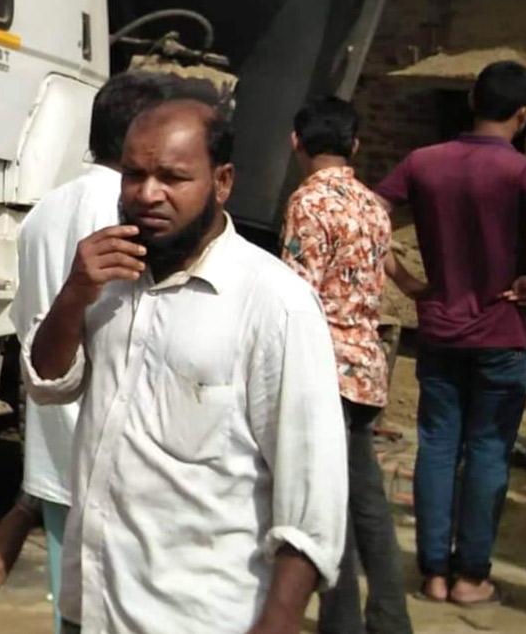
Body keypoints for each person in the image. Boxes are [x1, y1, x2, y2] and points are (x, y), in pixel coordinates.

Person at [24, 97, 347, 634]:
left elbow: (314, 499)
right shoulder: (105, 278)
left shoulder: (274, 304)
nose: (148, 194)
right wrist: (75, 292)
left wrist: (280, 621)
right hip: (95, 607)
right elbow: (48, 383)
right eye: (134, 175)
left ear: (221, 183)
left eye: (173, 177)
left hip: (200, 617)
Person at [373, 60, 526, 606]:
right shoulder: (523, 171)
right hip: (504, 332)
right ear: (524, 113)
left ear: (472, 99)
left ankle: (433, 575)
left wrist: (408, 280)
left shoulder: (423, 161)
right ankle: (471, 577)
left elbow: (368, 219)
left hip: (441, 330)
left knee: (438, 445)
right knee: (489, 451)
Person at [0, 73, 171, 619]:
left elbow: (26, 326)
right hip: (123, 456)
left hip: (56, 449)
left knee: (73, 608)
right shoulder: (134, 212)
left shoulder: (42, 213)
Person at [281, 97, 411, 634]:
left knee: (325, 504)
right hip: (367, 370)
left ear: (296, 143)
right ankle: (389, 616)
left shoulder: (308, 203)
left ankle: (341, 621)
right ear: (355, 145)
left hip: (322, 372)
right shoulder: (374, 207)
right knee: (367, 503)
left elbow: (296, 295)